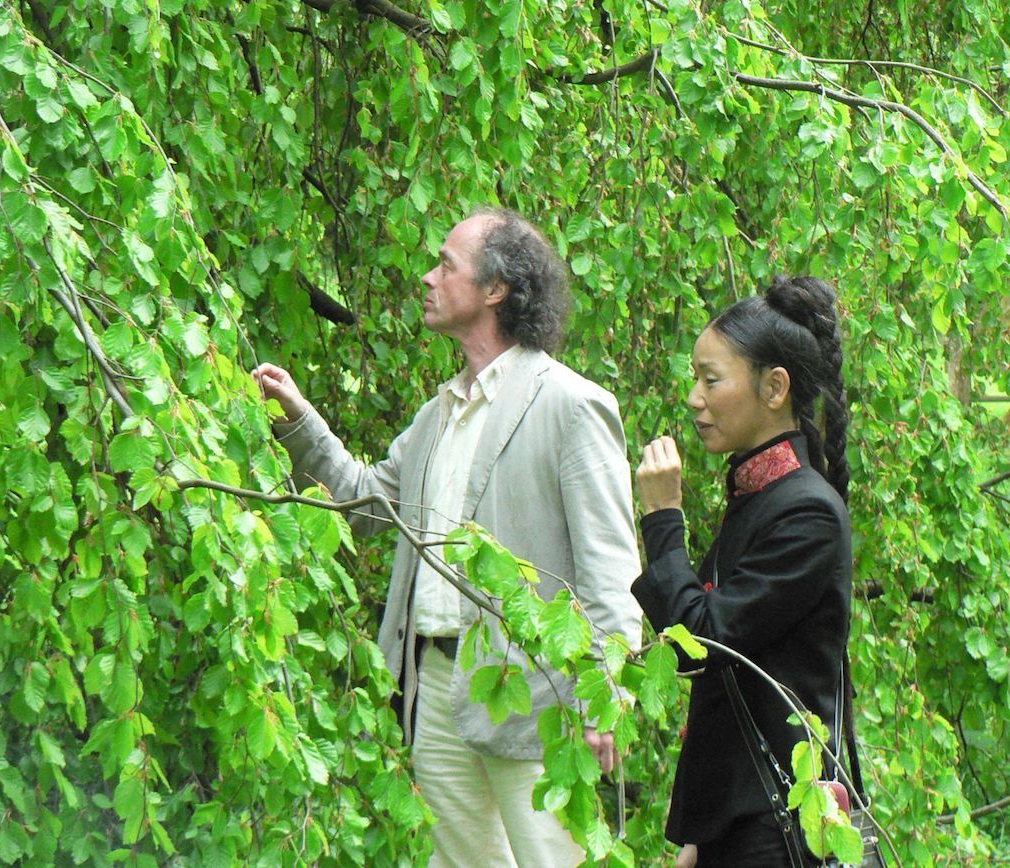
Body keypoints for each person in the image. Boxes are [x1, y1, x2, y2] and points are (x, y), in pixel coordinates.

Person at [253, 207, 642, 867]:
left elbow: (611, 570)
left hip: (536, 693)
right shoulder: (440, 413)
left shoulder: (570, 405)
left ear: (494, 290)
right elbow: (367, 504)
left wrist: (606, 695)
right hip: (433, 685)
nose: (427, 278)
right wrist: (299, 419)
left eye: (446, 265)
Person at [632, 276, 853, 867]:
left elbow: (697, 643)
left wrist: (662, 521)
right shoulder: (758, 495)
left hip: (772, 828)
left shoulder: (807, 512)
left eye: (712, 379)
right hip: (741, 820)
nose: (694, 398)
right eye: (694, 378)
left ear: (774, 387)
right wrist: (701, 835)